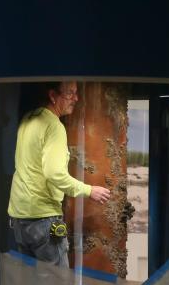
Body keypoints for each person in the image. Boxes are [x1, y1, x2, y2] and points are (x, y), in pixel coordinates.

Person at [7, 81, 110, 267]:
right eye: (70, 93)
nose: (76, 98)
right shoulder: (54, 127)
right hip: (44, 220)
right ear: (53, 96)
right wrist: (89, 190)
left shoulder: (28, 119)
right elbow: (54, 174)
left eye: (76, 93)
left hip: (20, 219)